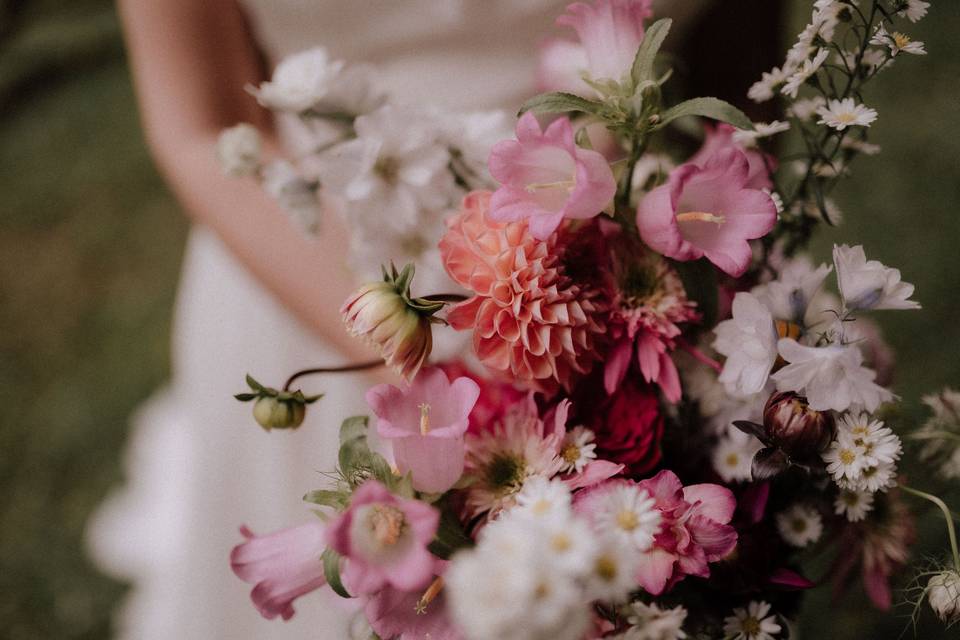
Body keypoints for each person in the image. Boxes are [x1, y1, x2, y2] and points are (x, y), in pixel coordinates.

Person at [87, 0, 769, 638]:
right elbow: (198, 131)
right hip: (318, 281)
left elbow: (750, 80)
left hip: (647, 277)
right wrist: (430, 378)